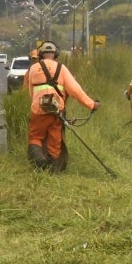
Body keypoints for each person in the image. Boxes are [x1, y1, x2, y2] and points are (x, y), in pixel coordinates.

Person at [26, 41, 99, 172]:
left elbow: (31, 93)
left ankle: (39, 161)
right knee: (55, 141)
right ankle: (53, 169)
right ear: (56, 54)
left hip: (38, 110)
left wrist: (36, 104)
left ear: (41, 54)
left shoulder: (33, 69)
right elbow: (76, 91)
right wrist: (92, 105)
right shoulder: (62, 68)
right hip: (56, 112)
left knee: (35, 137)